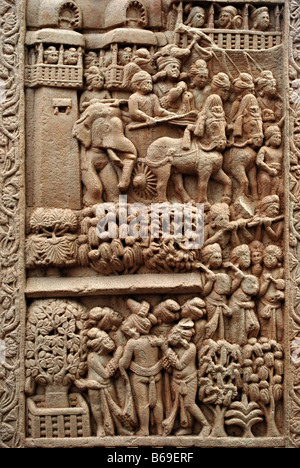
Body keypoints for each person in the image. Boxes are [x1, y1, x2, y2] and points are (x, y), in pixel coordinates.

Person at [161, 319, 211, 437]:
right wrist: (166, 366)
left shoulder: (191, 348)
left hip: (189, 380)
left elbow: (179, 365)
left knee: (189, 404)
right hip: (176, 381)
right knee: (180, 405)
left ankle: (206, 425)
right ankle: (187, 427)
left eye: (174, 336)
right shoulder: (175, 349)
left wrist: (165, 350)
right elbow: (172, 369)